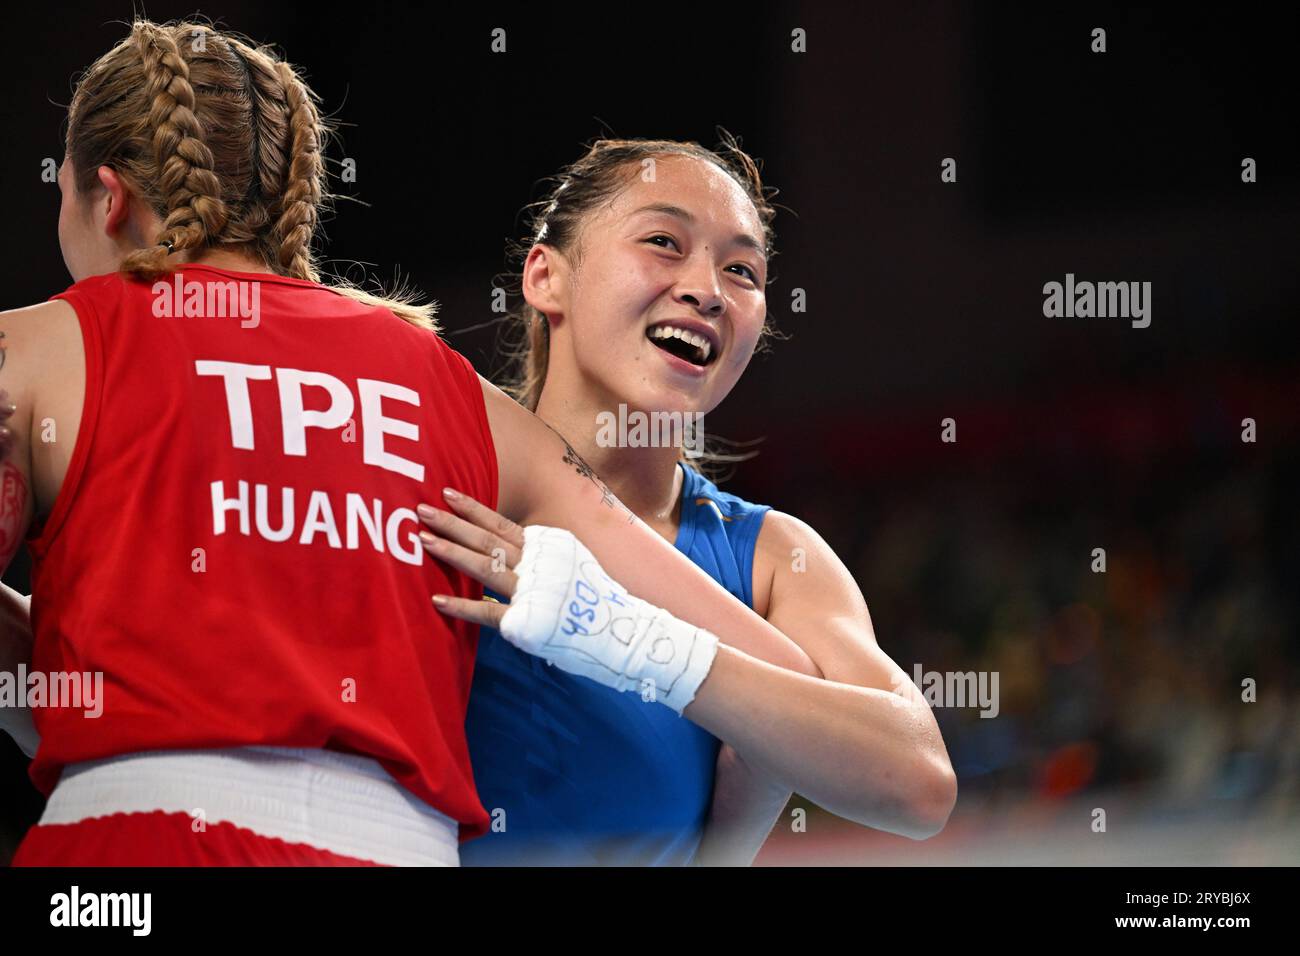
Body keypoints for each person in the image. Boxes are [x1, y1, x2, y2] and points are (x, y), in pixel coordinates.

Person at [0, 18, 824, 866]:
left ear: (106, 195)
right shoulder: (455, 395)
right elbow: (795, 695)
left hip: (129, 850)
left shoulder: (30, 349)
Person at [424, 138, 958, 865]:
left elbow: (918, 782)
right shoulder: (434, 482)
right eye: (664, 242)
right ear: (547, 277)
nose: (708, 287)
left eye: (741, 270)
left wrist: (622, 635)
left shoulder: (773, 559)